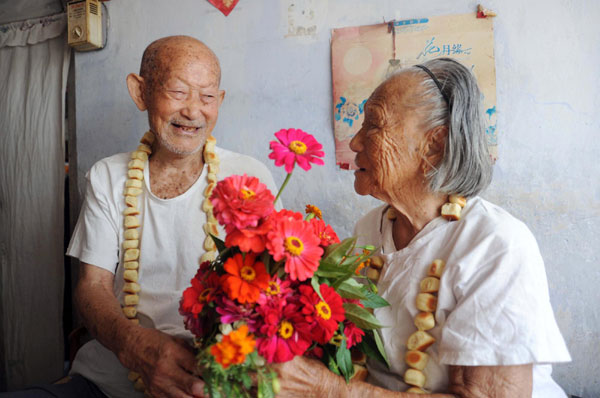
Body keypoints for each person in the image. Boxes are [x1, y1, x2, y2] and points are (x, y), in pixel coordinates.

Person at [273, 58, 571, 398]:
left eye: (373, 125)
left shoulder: (494, 245)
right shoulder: (369, 230)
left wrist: (328, 390)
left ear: (435, 144)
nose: (355, 143)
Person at [3, 36, 278, 398]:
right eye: (178, 91)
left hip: (213, 384)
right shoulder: (108, 176)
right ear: (140, 92)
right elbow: (92, 287)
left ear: (219, 102)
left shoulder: (248, 177)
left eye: (207, 96)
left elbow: (278, 287)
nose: (194, 111)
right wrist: (137, 348)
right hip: (108, 379)